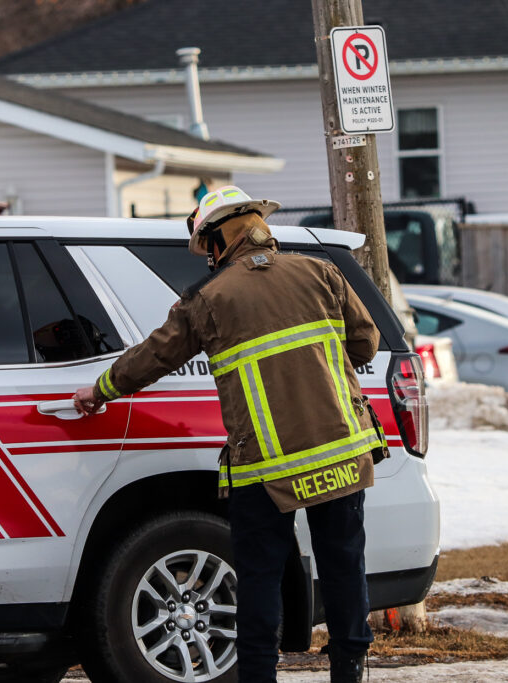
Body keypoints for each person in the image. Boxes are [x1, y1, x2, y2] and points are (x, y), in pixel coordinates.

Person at [72, 185, 382, 683]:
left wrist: (101, 389)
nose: (209, 259)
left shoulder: (208, 300)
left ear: (220, 240)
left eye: (208, 248)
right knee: (343, 563)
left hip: (265, 466)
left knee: (259, 578)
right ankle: (350, 667)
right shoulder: (322, 273)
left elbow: (155, 356)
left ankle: (258, 674)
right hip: (340, 452)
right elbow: (366, 343)